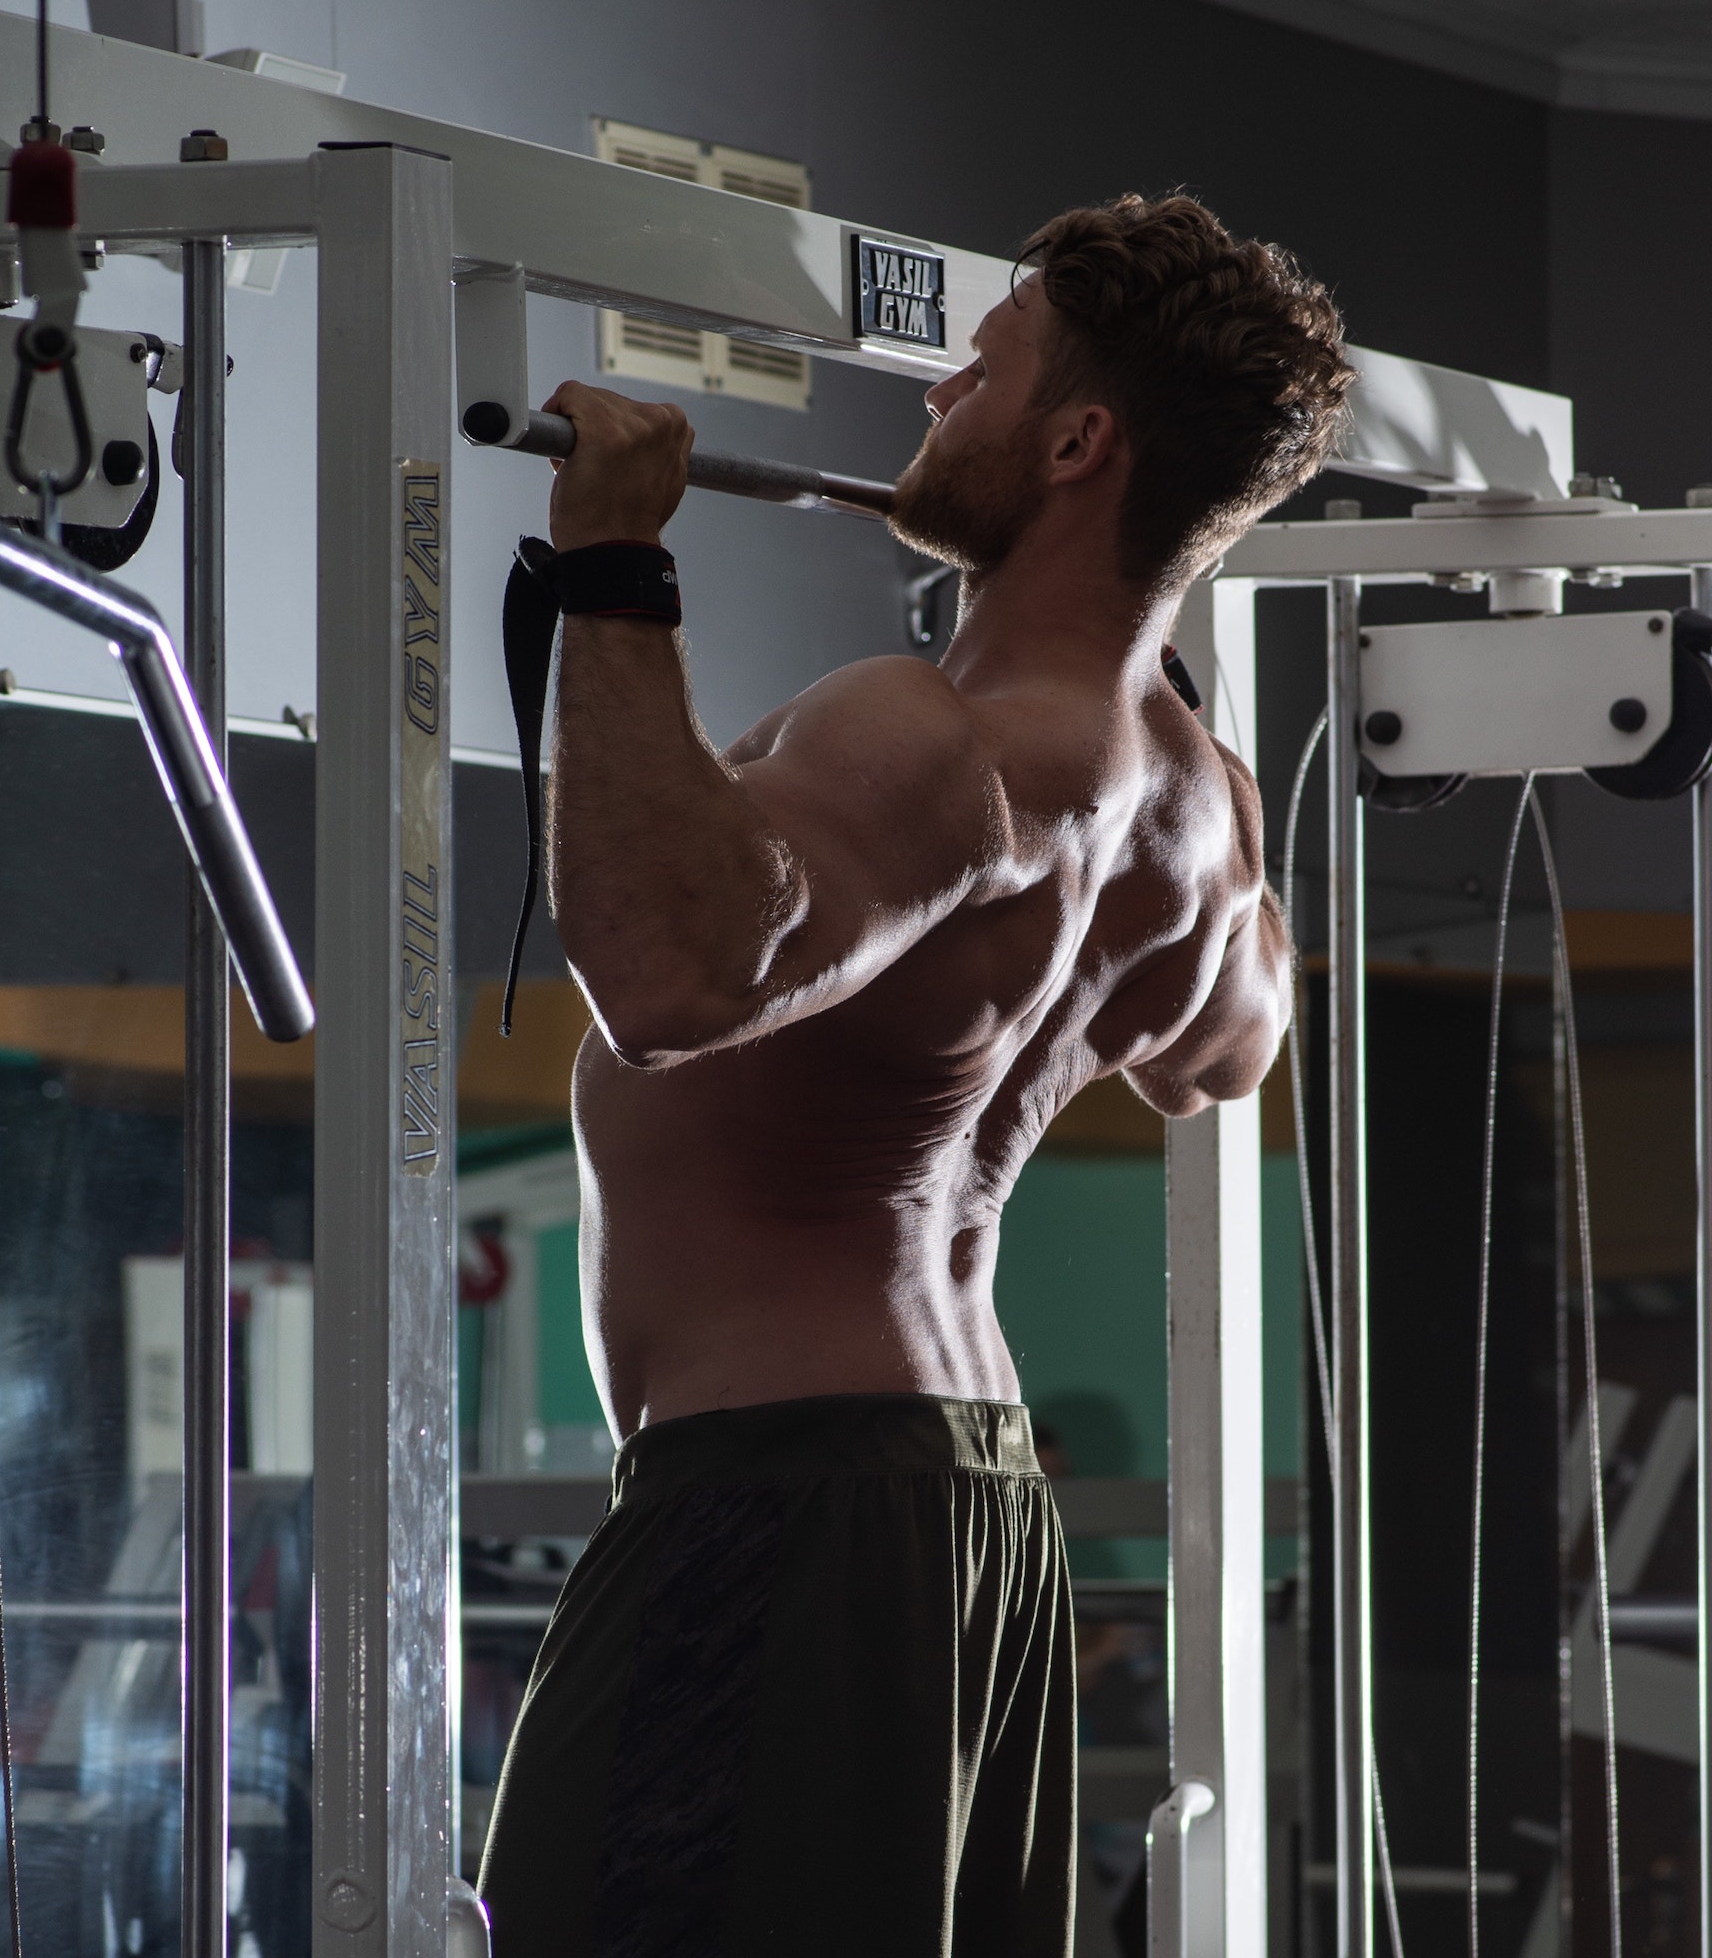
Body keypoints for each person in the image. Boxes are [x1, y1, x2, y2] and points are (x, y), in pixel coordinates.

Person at [474, 194, 1348, 1956]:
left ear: (1078, 443)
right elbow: (1227, 1055)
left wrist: (614, 568)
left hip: (785, 1502)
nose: (938, 391)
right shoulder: (1192, 796)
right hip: (966, 1507)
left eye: (982, 372)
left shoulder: (922, 736)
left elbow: (664, 976)